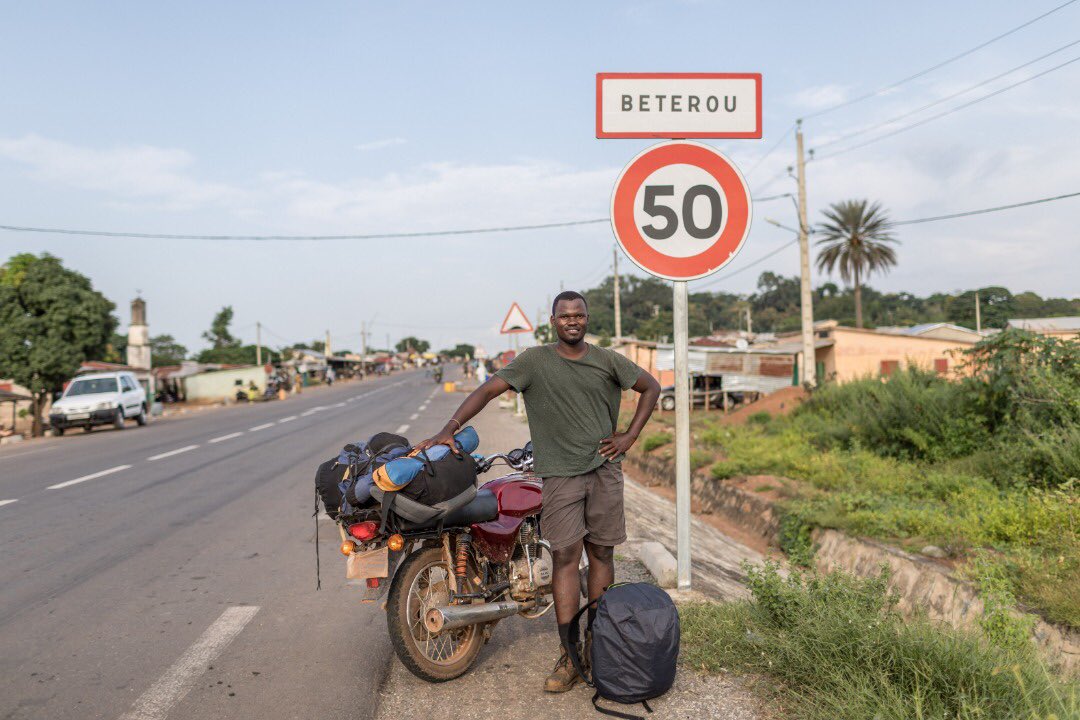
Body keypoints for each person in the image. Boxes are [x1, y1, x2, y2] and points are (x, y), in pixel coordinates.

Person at [415, 290, 660, 693]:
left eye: (579, 315)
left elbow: (651, 388)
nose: (573, 321)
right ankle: (569, 652)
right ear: (553, 321)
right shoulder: (534, 361)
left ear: (586, 318)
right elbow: (488, 391)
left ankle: (598, 645)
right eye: (565, 316)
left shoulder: (608, 359)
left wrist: (629, 436)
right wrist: (449, 429)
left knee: (601, 552)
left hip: (605, 472)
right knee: (565, 556)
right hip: (560, 475)